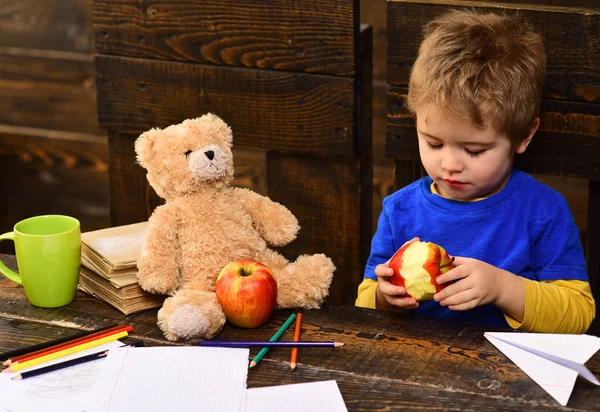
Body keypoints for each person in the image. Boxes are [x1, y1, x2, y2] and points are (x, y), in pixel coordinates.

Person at [356, 9, 595, 333]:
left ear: (524, 135)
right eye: (433, 143)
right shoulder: (400, 211)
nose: (450, 164)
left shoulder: (542, 212)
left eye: (474, 150)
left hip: (512, 374)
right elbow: (365, 302)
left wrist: (502, 288)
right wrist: (385, 298)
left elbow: (579, 315)